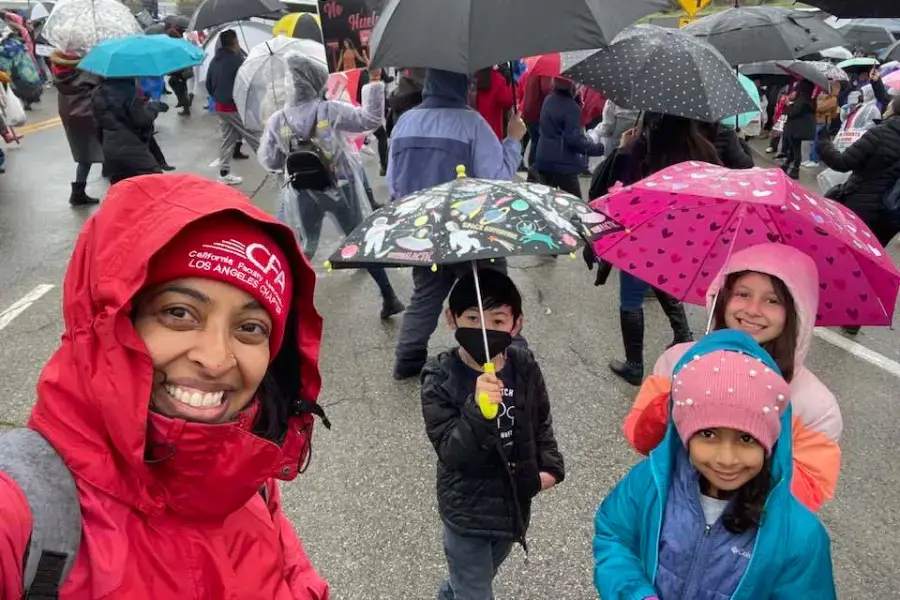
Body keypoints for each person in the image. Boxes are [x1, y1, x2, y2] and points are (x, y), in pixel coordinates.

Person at [0, 174, 330, 598]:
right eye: (179, 313)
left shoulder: (242, 471)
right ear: (111, 322)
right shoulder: (20, 512)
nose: (215, 359)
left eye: (250, 327)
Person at [594, 329, 837, 599]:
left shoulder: (799, 538)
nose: (726, 458)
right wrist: (637, 594)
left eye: (746, 438)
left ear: (771, 444)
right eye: (708, 434)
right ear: (683, 433)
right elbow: (614, 537)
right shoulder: (649, 484)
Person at [623, 243, 843, 512]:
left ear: (797, 312)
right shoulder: (676, 362)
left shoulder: (815, 404)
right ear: (723, 297)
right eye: (742, 294)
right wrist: (675, 400)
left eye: (772, 301)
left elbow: (811, 490)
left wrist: (751, 435)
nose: (753, 309)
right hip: (665, 515)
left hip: (748, 535)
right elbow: (639, 437)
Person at [421, 270, 564, 600]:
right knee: (475, 588)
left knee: (478, 575)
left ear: (517, 325)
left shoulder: (523, 364)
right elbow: (453, 453)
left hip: (513, 502)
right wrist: (477, 410)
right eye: (472, 318)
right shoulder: (440, 378)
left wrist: (551, 465)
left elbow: (540, 417)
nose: (484, 331)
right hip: (467, 511)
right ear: (451, 319)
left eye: (498, 321)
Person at [387, 69, 525, 380]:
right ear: (463, 83)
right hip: (471, 232)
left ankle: (408, 360)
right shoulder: (471, 123)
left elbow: (393, 182)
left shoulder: (405, 122)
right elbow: (498, 180)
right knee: (493, 296)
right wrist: (513, 140)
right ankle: (508, 356)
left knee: (425, 295)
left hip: (423, 228)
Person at [259, 53, 404, 321]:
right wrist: (373, 83)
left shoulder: (279, 120)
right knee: (358, 239)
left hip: (303, 191)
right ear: (317, 82)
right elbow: (370, 120)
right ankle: (389, 296)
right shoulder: (330, 110)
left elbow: (271, 160)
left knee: (307, 243)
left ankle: (283, 302)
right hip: (342, 186)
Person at [590, 114, 711, 385]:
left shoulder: (639, 150)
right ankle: (683, 336)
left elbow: (611, 190)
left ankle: (634, 364)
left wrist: (623, 147)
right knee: (661, 277)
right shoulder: (703, 150)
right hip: (681, 236)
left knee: (631, 299)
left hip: (640, 237)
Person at [817, 95, 900, 334]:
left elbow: (842, 162)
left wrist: (823, 141)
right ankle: (854, 317)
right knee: (869, 260)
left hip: (860, 206)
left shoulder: (880, 134)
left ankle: (822, 297)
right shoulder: (881, 132)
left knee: (839, 251)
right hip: (891, 214)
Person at [533, 77, 604, 199]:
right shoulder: (571, 107)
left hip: (544, 158)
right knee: (576, 206)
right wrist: (599, 149)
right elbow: (574, 140)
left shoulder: (548, 100)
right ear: (573, 86)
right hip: (563, 164)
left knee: (547, 201)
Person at [49, 49, 103, 205]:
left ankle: (78, 192)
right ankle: (119, 190)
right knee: (109, 150)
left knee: (84, 157)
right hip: (90, 116)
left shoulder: (59, 76)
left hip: (72, 118)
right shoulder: (86, 73)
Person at [207, 29, 258, 185]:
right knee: (254, 134)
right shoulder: (237, 60)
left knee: (228, 139)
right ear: (235, 42)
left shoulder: (215, 59)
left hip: (220, 105)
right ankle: (275, 167)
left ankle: (224, 173)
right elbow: (248, 81)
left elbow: (209, 84)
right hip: (232, 106)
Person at [92, 77, 163, 184]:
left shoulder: (97, 92)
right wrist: (154, 107)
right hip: (130, 147)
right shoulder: (128, 91)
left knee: (121, 188)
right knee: (156, 181)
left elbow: (97, 125)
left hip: (109, 148)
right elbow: (143, 120)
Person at [781, 80, 816, 179]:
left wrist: (788, 104)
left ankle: (795, 170)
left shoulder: (802, 98)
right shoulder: (809, 99)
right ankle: (786, 165)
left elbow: (794, 112)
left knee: (796, 150)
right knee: (793, 149)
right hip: (800, 128)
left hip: (797, 129)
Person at [473, 66, 513, 140]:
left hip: (470, 129)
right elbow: (508, 102)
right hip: (492, 131)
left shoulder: (468, 77)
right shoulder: (497, 78)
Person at [805, 81, 839, 168]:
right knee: (813, 140)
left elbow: (820, 108)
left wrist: (819, 101)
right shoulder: (825, 97)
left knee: (816, 141)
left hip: (823, 122)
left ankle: (815, 160)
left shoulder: (833, 99)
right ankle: (811, 158)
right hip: (818, 120)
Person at [165, 20, 193, 117]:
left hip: (180, 72)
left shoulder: (176, 46)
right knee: (182, 87)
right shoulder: (180, 43)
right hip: (182, 71)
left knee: (179, 86)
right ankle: (185, 103)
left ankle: (185, 105)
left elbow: (176, 61)